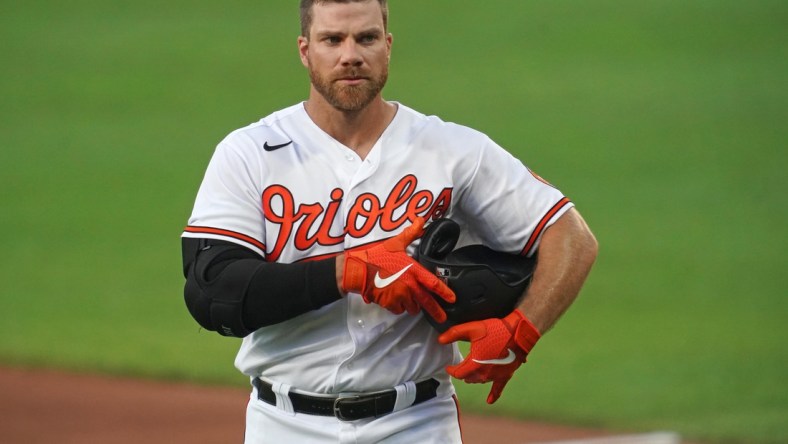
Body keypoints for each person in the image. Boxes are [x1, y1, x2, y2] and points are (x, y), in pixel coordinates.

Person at [180, 0, 598, 442]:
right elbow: (212, 291)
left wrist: (521, 331)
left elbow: (571, 236)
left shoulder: (451, 150)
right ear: (305, 50)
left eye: (366, 38)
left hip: (415, 423)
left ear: (388, 45)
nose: (350, 55)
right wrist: (349, 272)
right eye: (332, 40)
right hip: (285, 424)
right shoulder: (249, 152)